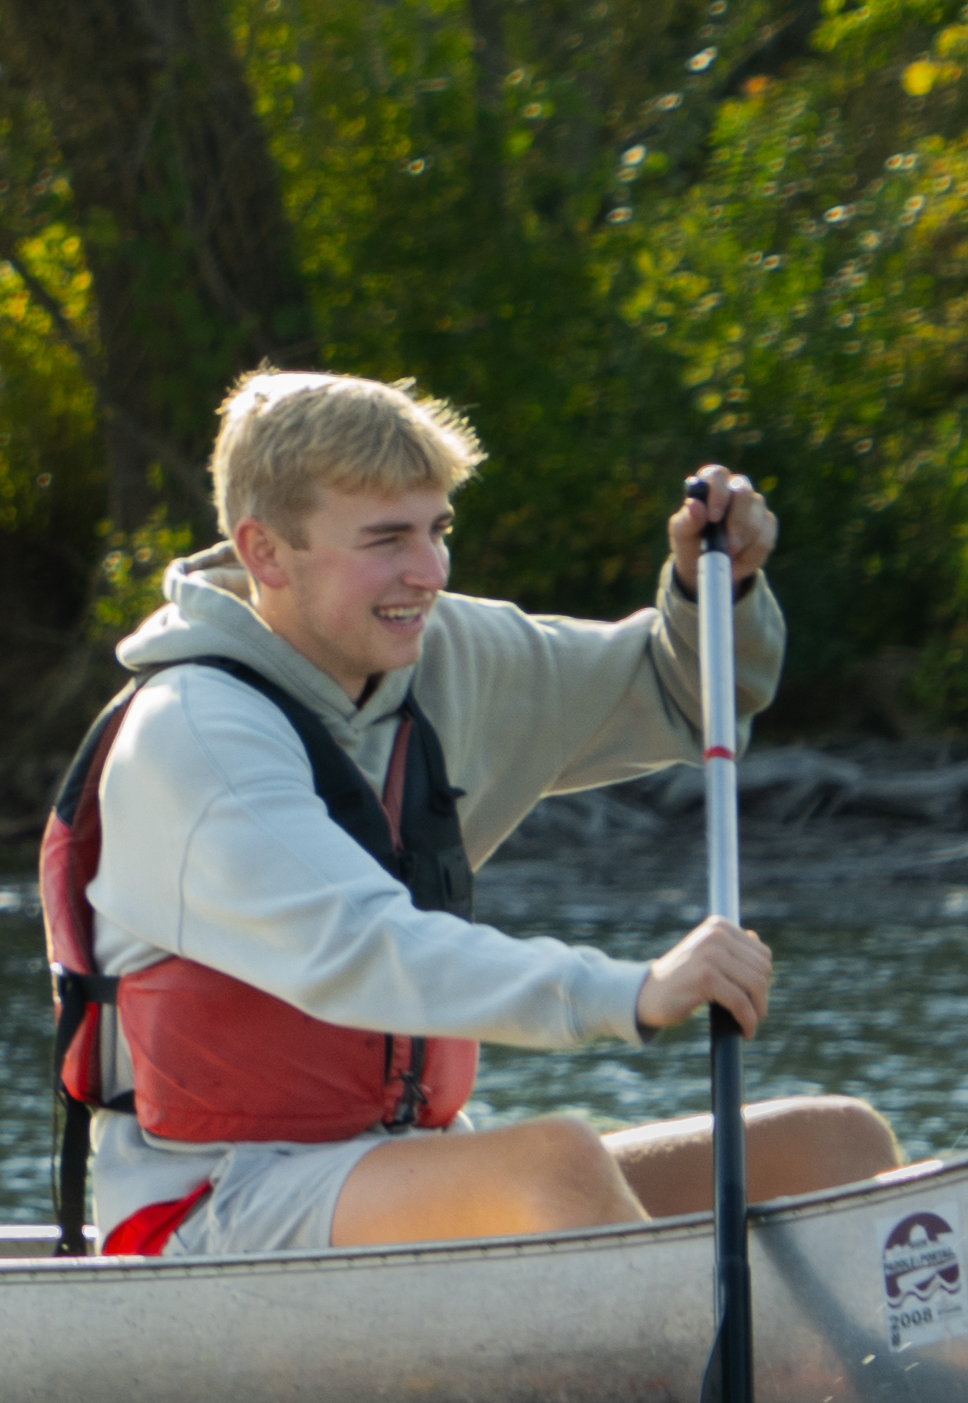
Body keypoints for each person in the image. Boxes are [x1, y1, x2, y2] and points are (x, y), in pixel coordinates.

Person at [45, 370, 900, 1255]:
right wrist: (630, 991)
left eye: (437, 530)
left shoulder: (441, 652)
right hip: (214, 1206)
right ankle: (726, 1382)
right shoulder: (192, 733)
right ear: (265, 552)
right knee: (550, 1166)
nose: (428, 571)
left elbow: (688, 696)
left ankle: (878, 1381)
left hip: (407, 1167)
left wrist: (709, 589)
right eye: (386, 540)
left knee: (834, 1144)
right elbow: (362, 945)